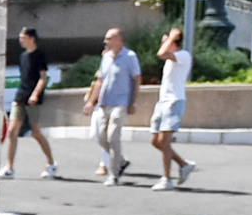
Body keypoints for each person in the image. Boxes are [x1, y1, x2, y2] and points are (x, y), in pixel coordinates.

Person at [83, 27, 140, 182]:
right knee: (101, 137)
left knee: (113, 136)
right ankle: (121, 161)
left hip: (121, 103)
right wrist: (91, 101)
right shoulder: (106, 57)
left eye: (109, 39)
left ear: (118, 40)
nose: (105, 42)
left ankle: (114, 174)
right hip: (104, 102)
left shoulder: (129, 56)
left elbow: (136, 80)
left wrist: (133, 101)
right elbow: (100, 81)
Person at [4, 25, 60, 180]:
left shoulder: (39, 56)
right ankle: (9, 167)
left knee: (35, 132)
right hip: (20, 96)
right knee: (12, 131)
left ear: (31, 38)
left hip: (33, 99)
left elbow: (43, 78)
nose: (20, 40)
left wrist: (35, 94)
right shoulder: (22, 57)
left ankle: (51, 163)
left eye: (23, 37)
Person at [149, 27, 196, 189]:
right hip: (163, 101)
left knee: (164, 140)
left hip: (174, 101)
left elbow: (161, 53)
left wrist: (172, 37)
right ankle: (183, 164)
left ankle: (166, 179)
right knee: (156, 141)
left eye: (167, 41)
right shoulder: (172, 60)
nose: (163, 44)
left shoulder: (183, 56)